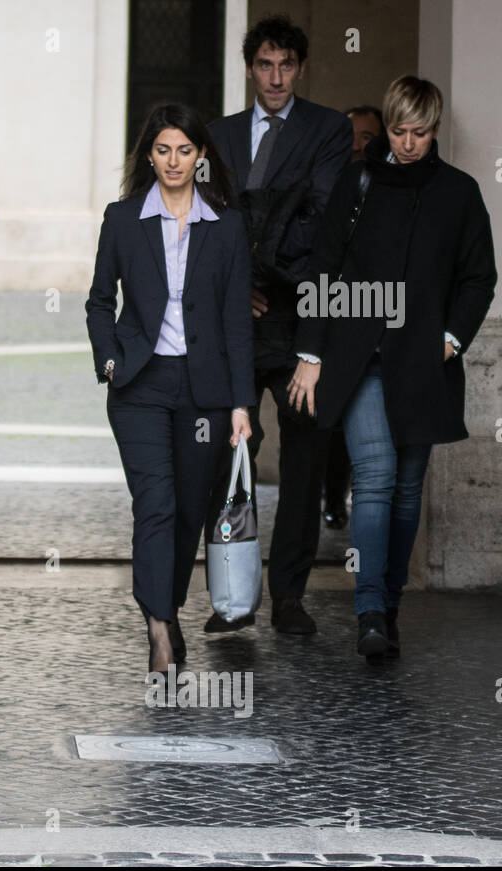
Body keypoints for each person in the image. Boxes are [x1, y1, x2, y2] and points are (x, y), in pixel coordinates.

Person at [290, 75, 497, 662]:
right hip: (362, 361)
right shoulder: (358, 183)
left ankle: (391, 602)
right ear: (388, 125)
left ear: (435, 130)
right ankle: (370, 611)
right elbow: (323, 269)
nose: (409, 143)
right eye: (400, 130)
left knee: (408, 490)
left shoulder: (459, 193)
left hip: (425, 363)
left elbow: (479, 276)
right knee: (375, 479)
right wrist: (311, 354)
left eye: (421, 132)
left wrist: (452, 339)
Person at [85, 103, 254, 678]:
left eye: (185, 150)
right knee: (154, 503)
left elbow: (237, 320)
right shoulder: (122, 217)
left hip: (205, 391)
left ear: (201, 155)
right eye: (162, 150)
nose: (173, 161)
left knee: (188, 513)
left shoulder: (226, 225)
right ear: (148, 154)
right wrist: (109, 360)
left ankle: (167, 608)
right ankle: (158, 630)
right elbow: (99, 300)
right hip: (140, 384)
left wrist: (240, 403)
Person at [200, 14, 351, 638]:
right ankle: (234, 595)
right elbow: (207, 222)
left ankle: (289, 596)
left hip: (301, 320)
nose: (276, 77)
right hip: (240, 322)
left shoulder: (328, 129)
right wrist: (242, 290)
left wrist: (266, 281)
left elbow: (320, 222)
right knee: (230, 458)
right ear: (249, 67)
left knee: (305, 461)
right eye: (265, 64)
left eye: (287, 64)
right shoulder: (218, 135)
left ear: (301, 67)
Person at [322, 105, 388, 532]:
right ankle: (330, 496)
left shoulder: (389, 190)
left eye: (368, 137)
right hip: (326, 315)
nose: (358, 145)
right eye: (351, 136)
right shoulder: (329, 185)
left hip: (374, 321)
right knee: (325, 423)